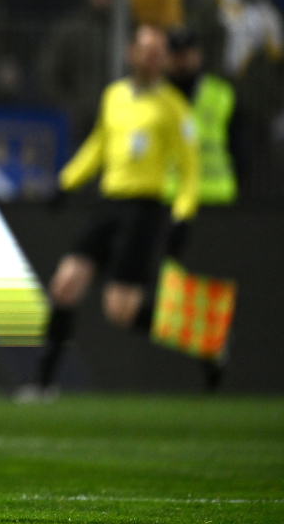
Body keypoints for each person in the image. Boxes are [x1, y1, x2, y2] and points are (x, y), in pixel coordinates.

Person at [30, 25, 199, 394]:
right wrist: (66, 182)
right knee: (64, 286)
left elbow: (190, 170)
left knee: (120, 310)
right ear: (131, 53)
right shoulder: (114, 96)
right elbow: (98, 146)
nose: (152, 59)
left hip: (144, 209)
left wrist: (183, 215)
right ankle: (42, 386)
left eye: (158, 53)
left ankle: (203, 339)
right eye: (146, 50)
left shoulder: (175, 108)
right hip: (108, 204)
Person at [166, 29, 243, 205]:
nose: (182, 60)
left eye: (187, 54)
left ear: (199, 56)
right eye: (177, 55)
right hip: (169, 194)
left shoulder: (222, 94)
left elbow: (240, 148)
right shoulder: (156, 97)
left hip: (215, 195)